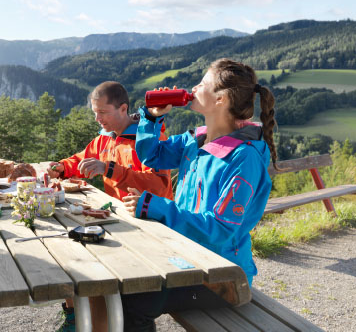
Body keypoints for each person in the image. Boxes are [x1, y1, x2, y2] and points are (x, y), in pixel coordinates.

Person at [122, 58, 278, 331]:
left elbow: (220, 229)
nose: (194, 87)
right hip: (187, 260)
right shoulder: (195, 140)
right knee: (122, 276)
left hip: (220, 278)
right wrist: (152, 117)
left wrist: (156, 207)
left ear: (221, 99)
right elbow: (152, 155)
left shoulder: (243, 158)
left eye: (202, 83)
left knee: (133, 301)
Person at [47, 81, 173, 332]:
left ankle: (98, 322)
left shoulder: (148, 138)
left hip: (150, 226)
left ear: (123, 108)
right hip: (117, 221)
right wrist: (62, 167)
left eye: (103, 113)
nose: (97, 119)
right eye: (95, 112)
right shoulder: (105, 139)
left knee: (99, 278)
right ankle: (75, 318)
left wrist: (110, 169)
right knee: (69, 254)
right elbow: (82, 159)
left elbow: (159, 186)